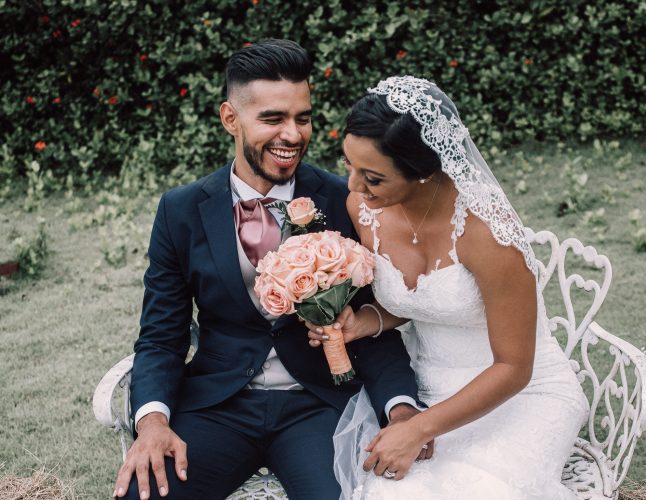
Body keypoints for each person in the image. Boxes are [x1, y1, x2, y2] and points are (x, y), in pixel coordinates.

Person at [112, 41, 424, 500]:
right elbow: (161, 335)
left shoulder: (343, 200)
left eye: (303, 118)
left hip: (318, 406)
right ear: (230, 118)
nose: (293, 135)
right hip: (217, 407)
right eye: (273, 119)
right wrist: (153, 422)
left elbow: (369, 323)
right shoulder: (180, 211)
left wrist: (401, 408)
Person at [306, 76, 589, 499]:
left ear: (423, 171)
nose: (353, 187)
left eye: (373, 178)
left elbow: (514, 367)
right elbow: (418, 301)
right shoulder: (364, 210)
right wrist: (364, 321)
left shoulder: (487, 232)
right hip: (426, 388)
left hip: (521, 395)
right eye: (349, 165)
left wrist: (421, 428)